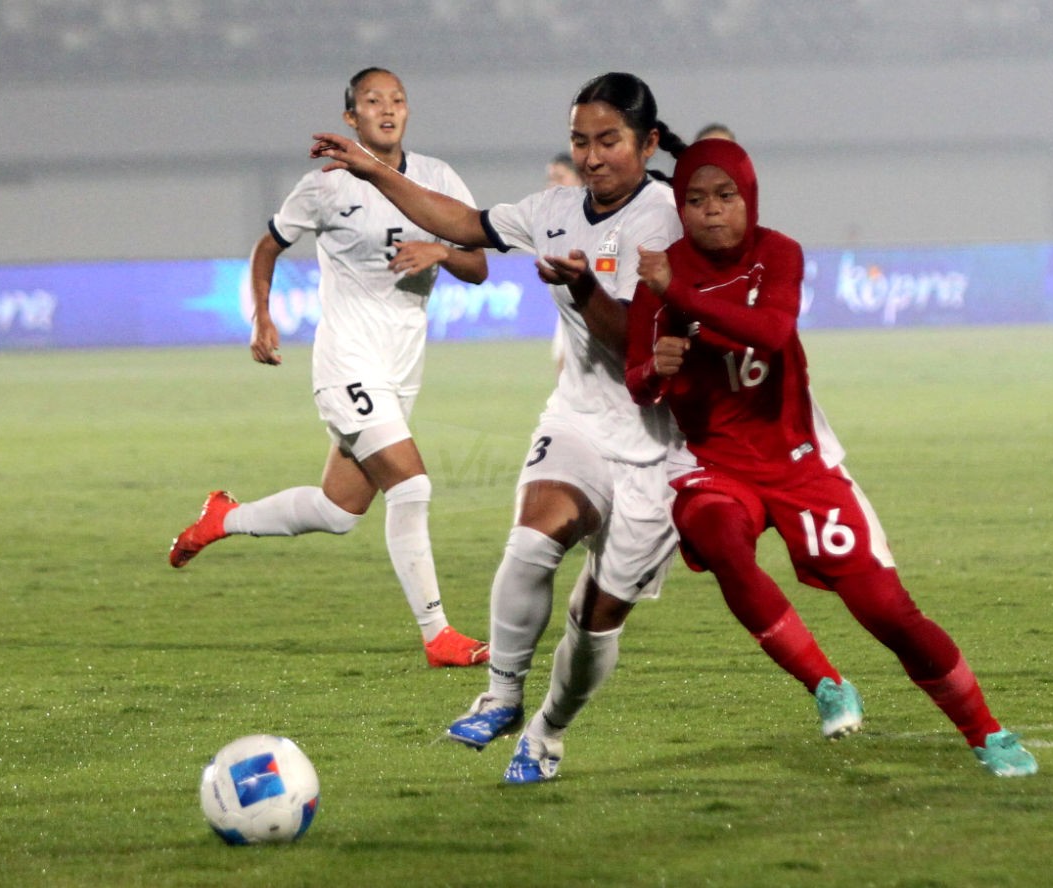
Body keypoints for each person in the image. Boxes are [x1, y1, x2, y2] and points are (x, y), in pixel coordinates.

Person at [312, 72, 689, 783]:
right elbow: (463, 223)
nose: (591, 157)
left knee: (595, 618)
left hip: (660, 441)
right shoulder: (555, 209)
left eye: (608, 141)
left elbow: (637, 345)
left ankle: (547, 732)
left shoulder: (668, 220)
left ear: (647, 145)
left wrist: (583, 286)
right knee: (529, 543)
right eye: (579, 141)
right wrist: (373, 170)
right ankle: (502, 696)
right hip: (579, 418)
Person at [625, 139, 1037, 777]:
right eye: (696, 200)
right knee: (719, 540)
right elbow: (637, 381)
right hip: (713, 462)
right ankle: (827, 685)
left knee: (889, 614)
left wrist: (678, 293)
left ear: (749, 198)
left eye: (725, 196)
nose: (711, 210)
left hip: (799, 462)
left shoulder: (777, 253)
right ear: (681, 207)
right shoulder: (659, 273)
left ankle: (986, 732)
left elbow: (772, 332)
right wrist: (656, 368)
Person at [168, 67, 492, 669]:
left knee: (339, 511)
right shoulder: (325, 187)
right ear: (351, 117)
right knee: (412, 486)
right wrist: (261, 318)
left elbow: (478, 266)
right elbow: (268, 247)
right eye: (373, 100)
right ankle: (438, 635)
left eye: (397, 100)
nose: (387, 109)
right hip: (348, 361)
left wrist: (442, 250)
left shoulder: (438, 177)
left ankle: (223, 518)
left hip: (401, 367)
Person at [542, 152, 582, 374]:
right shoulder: (554, 220)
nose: (553, 185)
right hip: (568, 306)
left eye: (560, 177)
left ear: (580, 178)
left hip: (595, 306)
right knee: (563, 367)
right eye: (550, 179)